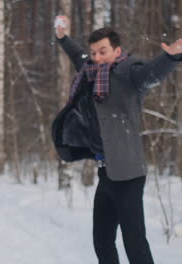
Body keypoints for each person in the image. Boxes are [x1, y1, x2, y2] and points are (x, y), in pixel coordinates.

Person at [52, 16, 182, 264]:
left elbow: (150, 74)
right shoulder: (91, 72)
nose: (97, 57)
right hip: (106, 172)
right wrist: (62, 37)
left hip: (129, 174)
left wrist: (171, 57)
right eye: (94, 52)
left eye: (103, 51)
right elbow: (78, 56)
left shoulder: (129, 72)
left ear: (117, 50)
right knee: (101, 239)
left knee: (134, 243)